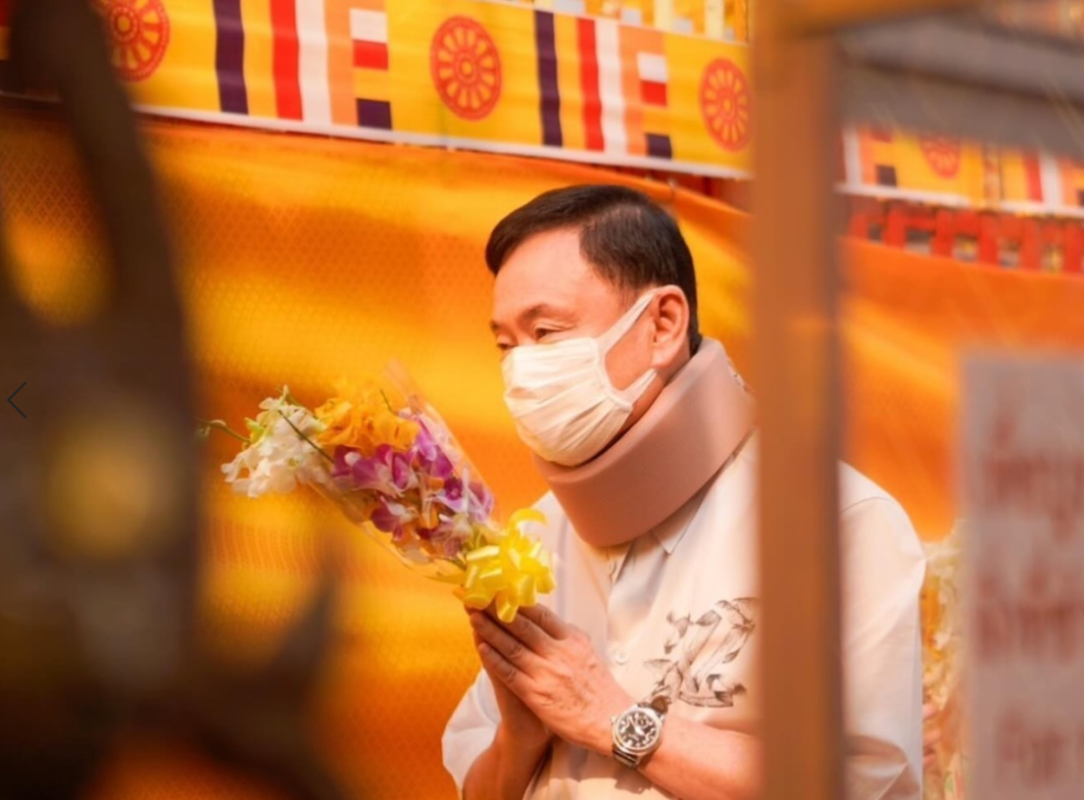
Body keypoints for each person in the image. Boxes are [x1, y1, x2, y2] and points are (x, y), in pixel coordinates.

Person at [442, 185, 925, 799]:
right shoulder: (534, 538)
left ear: (663, 325)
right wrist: (520, 739)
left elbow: (857, 782)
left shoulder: (841, 525)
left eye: (546, 331)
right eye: (506, 346)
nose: (521, 373)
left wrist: (615, 719)